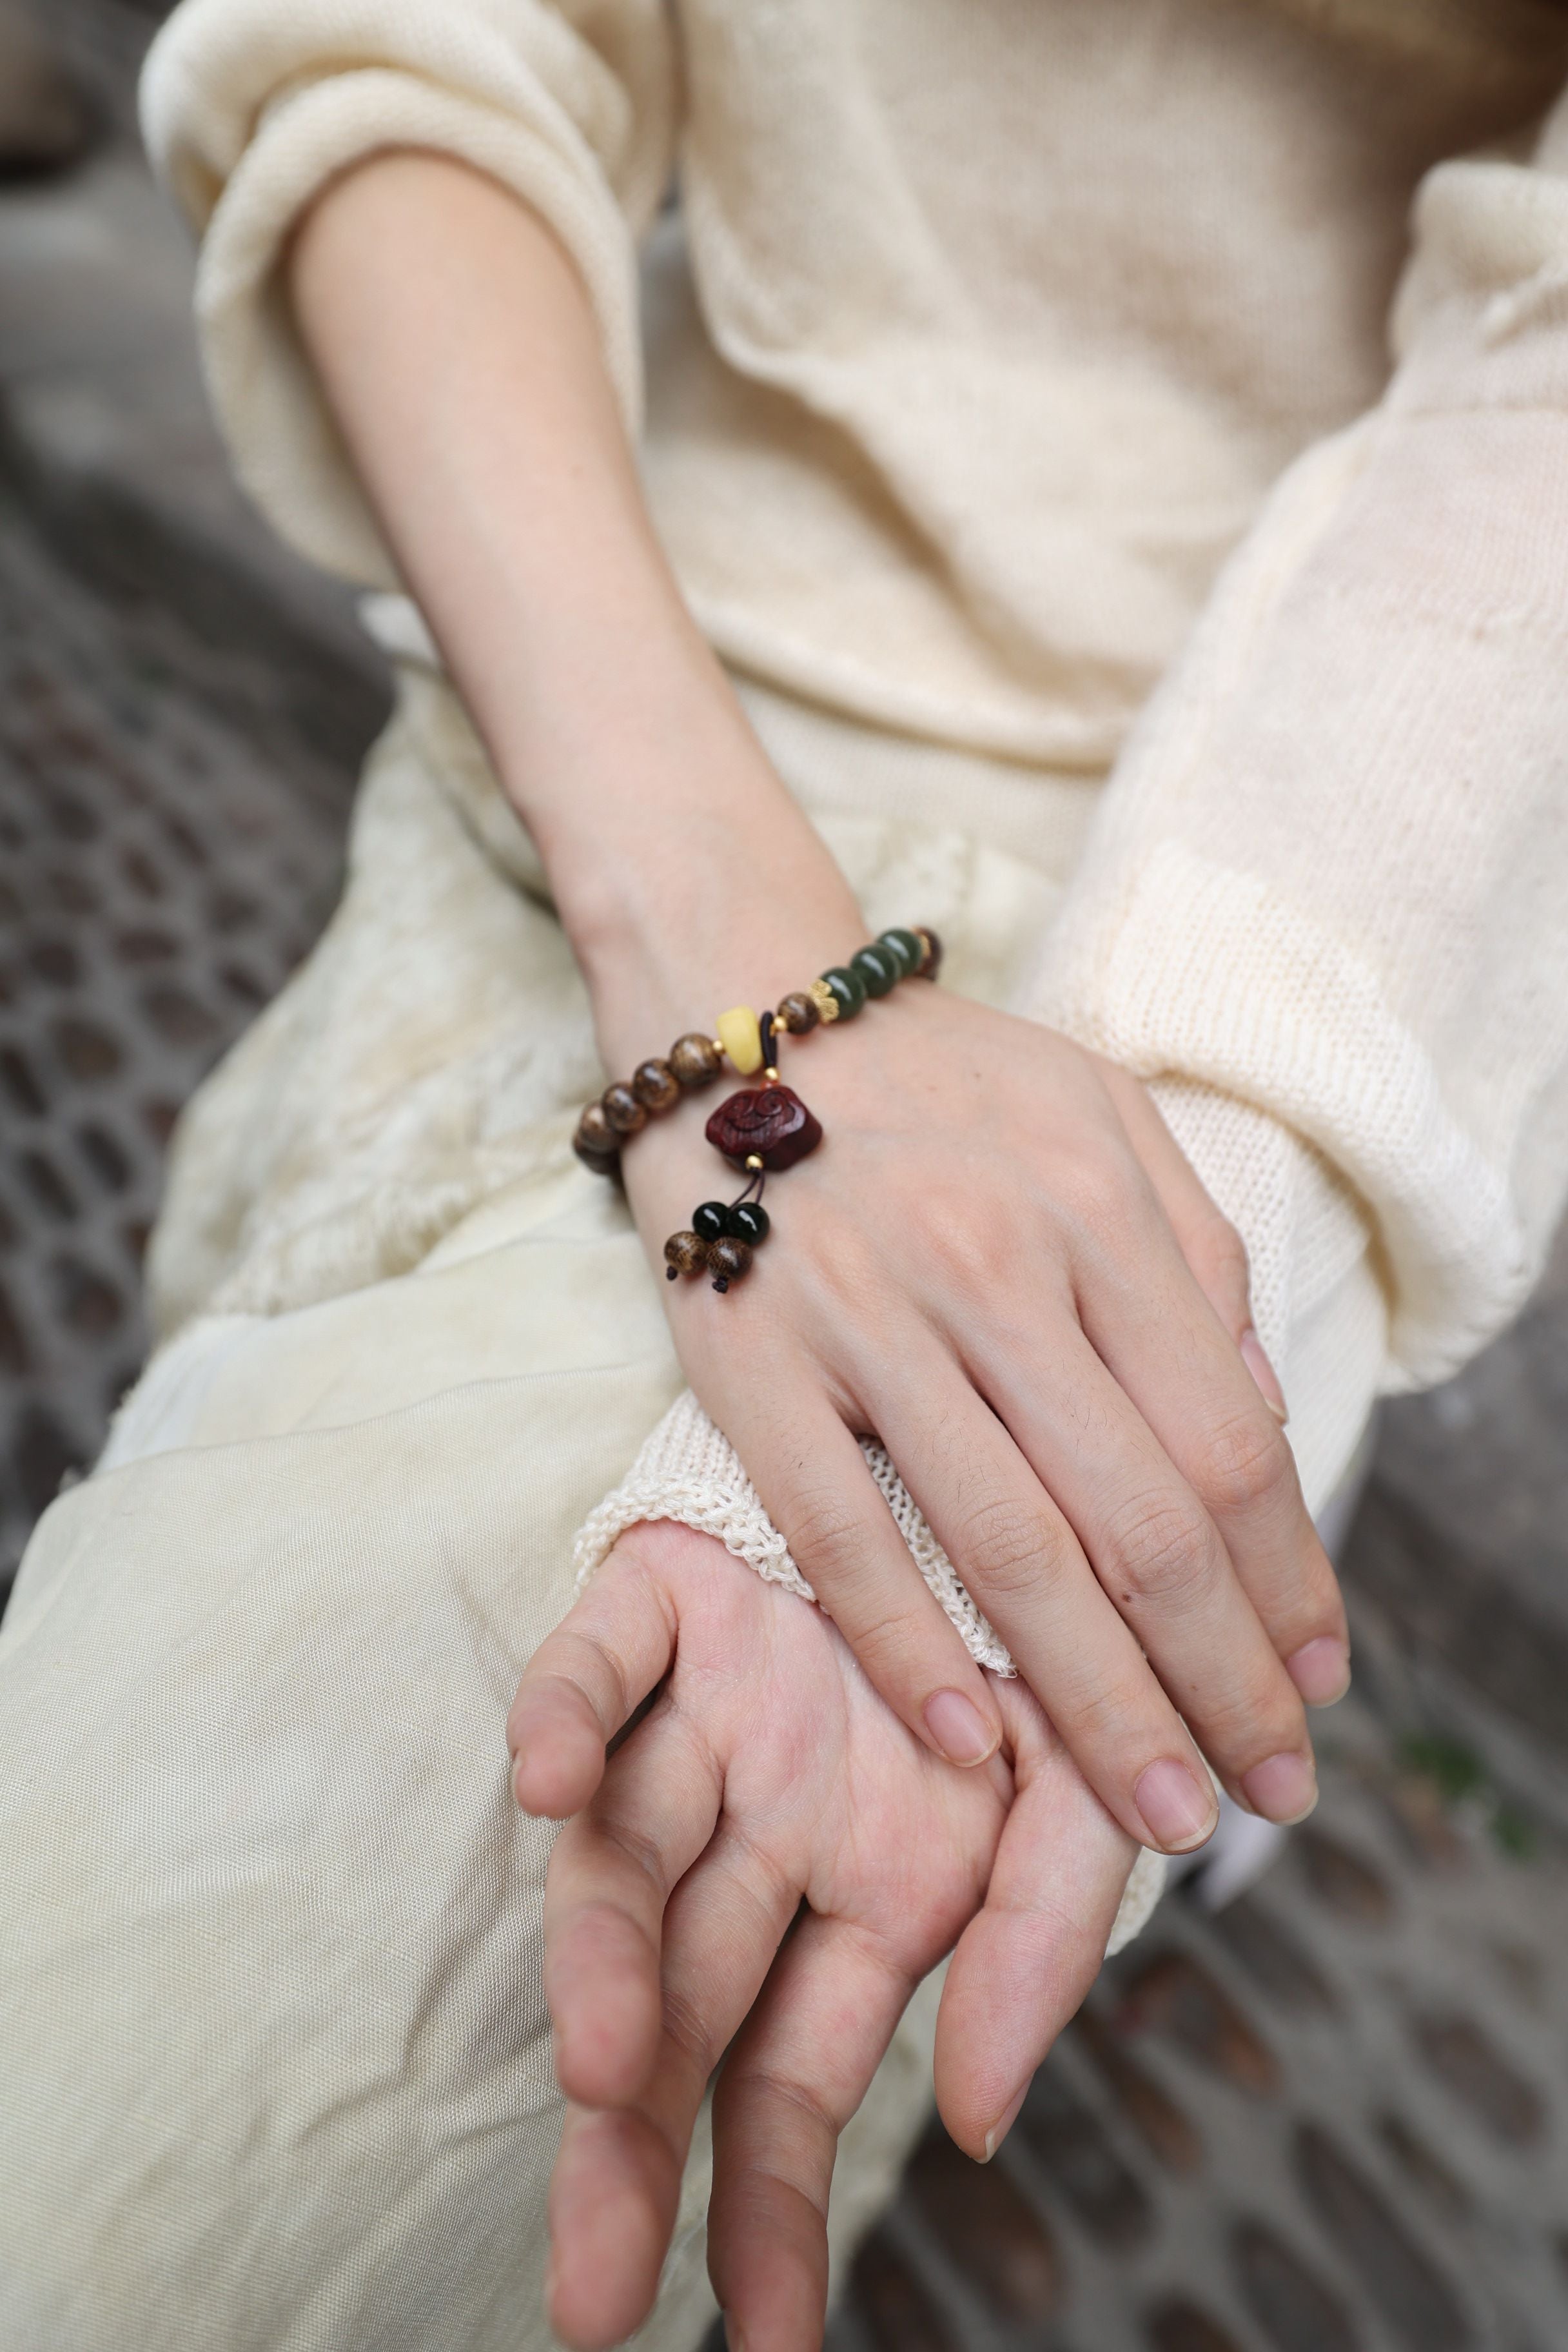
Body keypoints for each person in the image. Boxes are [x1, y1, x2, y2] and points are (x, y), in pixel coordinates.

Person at [5, 2, 1568, 2347]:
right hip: (618, 713)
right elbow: (402, 54)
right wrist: (735, 972)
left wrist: (1178, 1254)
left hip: (1292, 905)